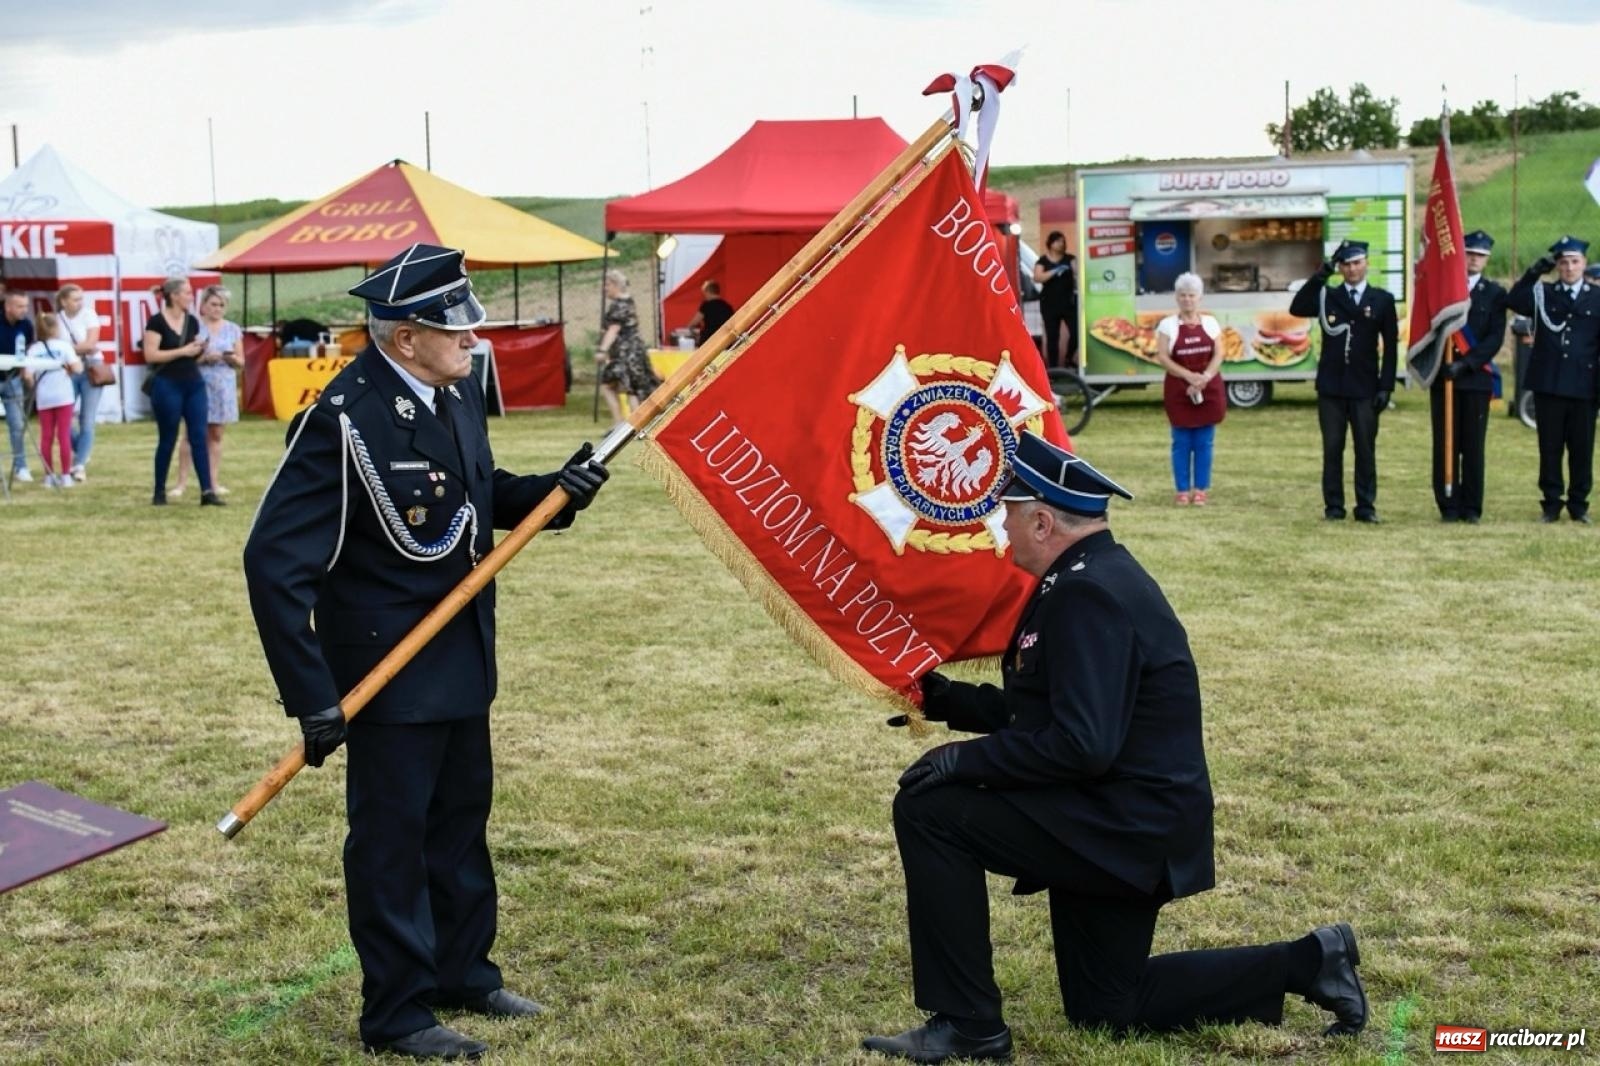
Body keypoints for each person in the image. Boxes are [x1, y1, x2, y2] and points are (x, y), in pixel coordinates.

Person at [863, 433, 1368, 1064]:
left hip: (1121, 825)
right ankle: (1311, 960)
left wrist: (961, 762)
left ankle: (967, 1026)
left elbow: (1081, 745)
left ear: (1043, 520)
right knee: (1108, 1008)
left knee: (929, 810)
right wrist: (945, 703)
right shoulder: (1089, 577)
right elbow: (1050, 713)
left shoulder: (1087, 593)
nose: (1000, 525)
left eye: (1009, 512)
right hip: (1123, 818)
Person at [243, 243, 610, 1061]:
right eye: (457, 329)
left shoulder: (451, 392)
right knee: (392, 842)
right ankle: (399, 1013)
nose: (475, 338)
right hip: (385, 672)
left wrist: (555, 493)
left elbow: (473, 497)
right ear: (404, 338)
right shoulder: (343, 417)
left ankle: (463, 973)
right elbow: (273, 565)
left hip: (461, 659)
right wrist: (313, 696)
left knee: (457, 827)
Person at [1289, 239, 1398, 523]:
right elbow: (1298, 306)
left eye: (1357, 263)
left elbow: (1391, 348)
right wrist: (1323, 272)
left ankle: (1366, 506)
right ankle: (1334, 506)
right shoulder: (1328, 295)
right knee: (1333, 449)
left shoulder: (1382, 299)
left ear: (1367, 264)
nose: (1352, 269)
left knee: (1365, 449)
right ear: (1340, 267)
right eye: (1346, 264)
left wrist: (1386, 386)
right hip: (1332, 387)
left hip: (1364, 387)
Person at [1506, 236, 1600, 523]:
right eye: (1563, 263)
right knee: (1550, 447)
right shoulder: (1542, 293)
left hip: (1585, 384)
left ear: (1584, 264)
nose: (1569, 268)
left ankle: (1579, 503)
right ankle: (1551, 501)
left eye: (1574, 262)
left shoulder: (1597, 297)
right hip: (1550, 383)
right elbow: (1513, 300)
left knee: (1582, 448)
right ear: (1557, 266)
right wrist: (1534, 272)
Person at [1432, 230, 1507, 524]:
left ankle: (1472, 507)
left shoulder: (1495, 293)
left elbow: (1494, 339)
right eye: (1470, 254)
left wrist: (1466, 365)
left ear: (1487, 259)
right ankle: (1448, 504)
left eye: (1480, 255)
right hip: (1444, 378)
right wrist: (1440, 364)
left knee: (1473, 445)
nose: (1474, 259)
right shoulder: (1443, 289)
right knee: (1445, 443)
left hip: (1475, 379)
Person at [143, 277, 221, 506]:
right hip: (167, 383)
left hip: (193, 382)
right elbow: (151, 355)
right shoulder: (156, 322)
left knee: (199, 435)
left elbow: (191, 354)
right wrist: (183, 351)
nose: (190, 296)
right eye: (187, 292)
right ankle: (159, 491)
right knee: (168, 438)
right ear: (174, 295)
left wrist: (199, 350)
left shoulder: (192, 321)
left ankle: (207, 491)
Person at [1153, 273, 1225, 505]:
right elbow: (1163, 357)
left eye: (1191, 295)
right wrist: (1188, 376)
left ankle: (1201, 489)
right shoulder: (1167, 326)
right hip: (1178, 389)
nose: (1187, 300)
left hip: (1208, 388)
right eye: (1183, 295)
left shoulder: (1211, 323)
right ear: (1176, 298)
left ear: (1200, 298)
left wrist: (1205, 377)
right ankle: (1182, 490)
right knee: (1181, 442)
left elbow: (1219, 353)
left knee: (1205, 442)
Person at [174, 285, 243, 496]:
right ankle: (181, 483)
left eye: (221, 305)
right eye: (213, 304)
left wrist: (229, 357)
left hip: (223, 385)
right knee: (191, 433)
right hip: (198, 382)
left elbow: (241, 362)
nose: (217, 309)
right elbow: (185, 358)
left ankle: (213, 481)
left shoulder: (232, 329)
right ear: (203, 305)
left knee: (215, 434)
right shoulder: (193, 327)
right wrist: (204, 358)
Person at [22, 312, 82, 488]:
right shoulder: (64, 347)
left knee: (46, 437)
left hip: (44, 396)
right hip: (63, 395)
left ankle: (49, 476)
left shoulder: (34, 349)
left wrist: (35, 385)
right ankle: (65, 476)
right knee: (63, 435)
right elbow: (77, 368)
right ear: (56, 328)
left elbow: (27, 374)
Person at [595, 268, 659, 425]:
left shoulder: (618, 306)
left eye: (607, 285)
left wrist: (602, 350)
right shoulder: (629, 301)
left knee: (610, 385)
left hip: (625, 352)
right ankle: (635, 424)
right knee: (632, 388)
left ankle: (620, 424)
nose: (605, 288)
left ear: (616, 285)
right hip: (635, 350)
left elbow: (613, 329)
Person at [57, 285, 104, 483]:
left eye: (81, 298)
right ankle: (82, 449)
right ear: (64, 301)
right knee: (64, 417)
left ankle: (79, 464)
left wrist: (68, 348)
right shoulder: (57, 319)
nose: (79, 302)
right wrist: (77, 349)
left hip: (92, 367)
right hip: (69, 369)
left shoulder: (89, 314)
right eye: (75, 299)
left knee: (87, 418)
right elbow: (59, 347)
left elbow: (91, 344)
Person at [1, 289, 36, 483]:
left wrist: (26, 370)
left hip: (12, 379)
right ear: (8, 307)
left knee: (17, 424)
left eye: (26, 306)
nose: (24, 310)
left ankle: (20, 466)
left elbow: (28, 348)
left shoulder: (26, 325)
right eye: (20, 306)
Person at [1031, 230, 1078, 368]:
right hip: (1049, 303)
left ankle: (1069, 358)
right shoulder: (1043, 261)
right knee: (1052, 336)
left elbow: (1077, 273)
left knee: (1076, 332)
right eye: (1058, 241)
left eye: (1063, 241)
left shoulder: (1070, 259)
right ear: (1051, 244)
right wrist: (1055, 270)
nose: (1061, 244)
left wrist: (1073, 270)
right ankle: (1053, 369)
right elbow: (1037, 277)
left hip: (1068, 303)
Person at [684, 279, 734, 345]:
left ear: (708, 292)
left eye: (704, 293)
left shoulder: (706, 305)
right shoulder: (728, 307)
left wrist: (688, 329)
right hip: (724, 341)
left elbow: (694, 322)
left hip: (708, 341)